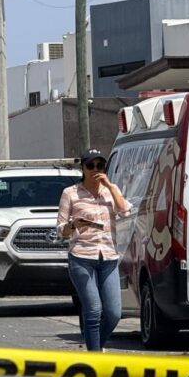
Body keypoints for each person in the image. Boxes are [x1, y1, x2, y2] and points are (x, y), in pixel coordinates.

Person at [57, 149, 131, 351]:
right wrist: (74, 225)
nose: (95, 170)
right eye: (90, 166)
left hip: (108, 256)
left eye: (100, 166)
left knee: (114, 313)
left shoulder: (110, 191)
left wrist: (110, 186)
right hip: (81, 257)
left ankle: (95, 345)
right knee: (94, 309)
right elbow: (61, 230)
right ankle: (95, 356)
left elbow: (125, 211)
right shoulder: (70, 194)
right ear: (82, 168)